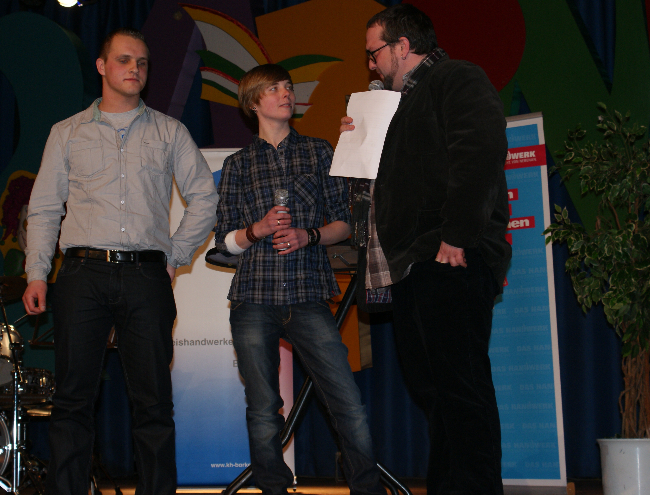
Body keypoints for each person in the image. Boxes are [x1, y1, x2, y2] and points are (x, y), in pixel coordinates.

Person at [22, 27, 218, 495]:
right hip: (82, 274)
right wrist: (36, 273)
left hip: (146, 275)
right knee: (72, 401)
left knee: (154, 402)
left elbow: (205, 198)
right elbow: (44, 208)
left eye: (142, 62)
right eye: (125, 60)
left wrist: (173, 255)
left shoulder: (170, 131)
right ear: (102, 66)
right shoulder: (67, 132)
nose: (135, 68)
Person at [340, 3, 512, 494]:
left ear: (402, 46)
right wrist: (358, 144)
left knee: (461, 389)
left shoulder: (456, 77)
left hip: (450, 255)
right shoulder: (390, 106)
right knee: (433, 392)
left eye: (374, 53)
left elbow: (479, 152)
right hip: (408, 264)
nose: (370, 64)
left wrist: (456, 234)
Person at [215, 64, 386, 495]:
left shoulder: (319, 151)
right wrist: (257, 229)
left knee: (346, 401)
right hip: (254, 297)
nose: (286, 93)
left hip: (308, 292)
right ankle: (274, 488)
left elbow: (345, 223)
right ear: (253, 102)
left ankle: (367, 488)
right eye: (274, 88)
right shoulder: (237, 164)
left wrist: (308, 235)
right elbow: (224, 241)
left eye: (288, 87)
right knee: (263, 408)